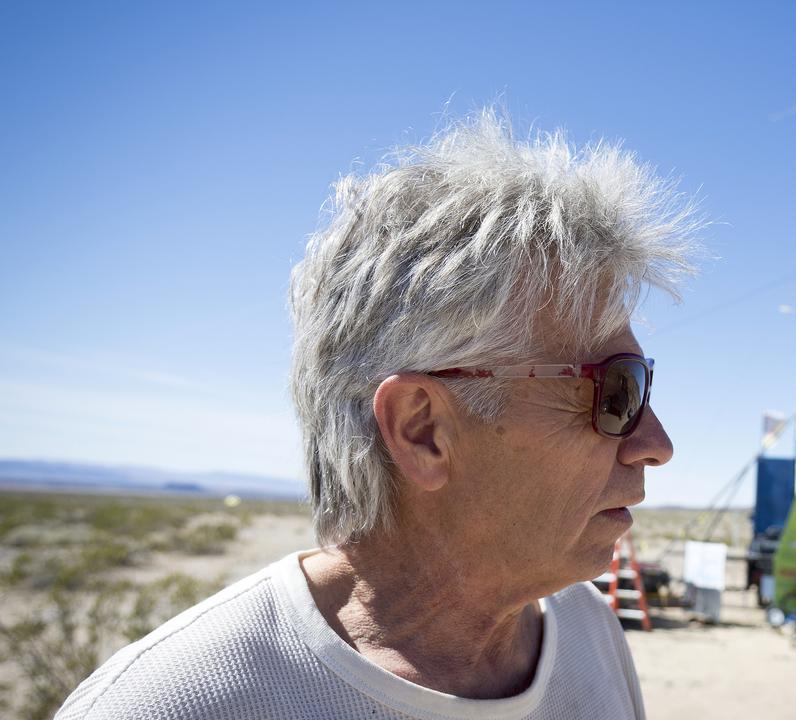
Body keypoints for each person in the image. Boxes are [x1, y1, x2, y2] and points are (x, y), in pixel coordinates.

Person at [56, 108, 702, 719]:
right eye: (616, 391)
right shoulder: (168, 703)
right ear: (422, 430)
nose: (656, 443)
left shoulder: (587, 630)